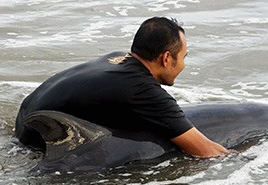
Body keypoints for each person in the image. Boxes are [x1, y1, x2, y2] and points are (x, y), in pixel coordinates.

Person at [15, 17, 227, 158]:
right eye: (183, 57)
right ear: (166, 58)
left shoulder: (116, 59)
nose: (184, 65)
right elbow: (206, 151)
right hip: (39, 143)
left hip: (23, 122)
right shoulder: (142, 89)